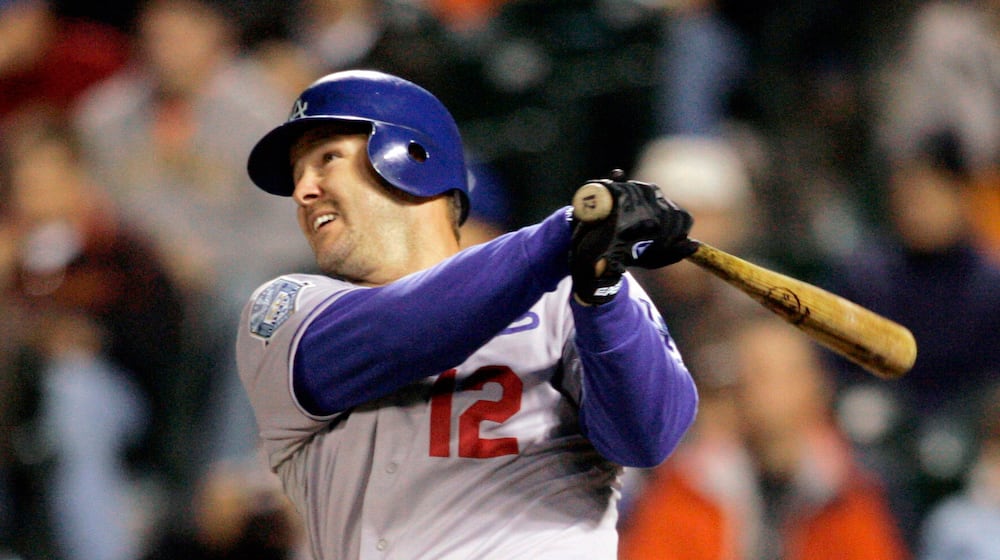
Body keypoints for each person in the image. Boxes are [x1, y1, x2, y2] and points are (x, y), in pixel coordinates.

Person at [235, 69, 699, 558]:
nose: (302, 190)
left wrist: (602, 297)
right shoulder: (283, 311)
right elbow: (404, 328)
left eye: (327, 158)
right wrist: (566, 232)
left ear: (414, 157)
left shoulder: (572, 288)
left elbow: (646, 438)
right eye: (296, 173)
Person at [618, 312, 909, 560]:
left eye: (782, 374)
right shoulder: (689, 486)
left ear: (815, 386)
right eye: (753, 372)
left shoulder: (846, 491)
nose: (764, 390)